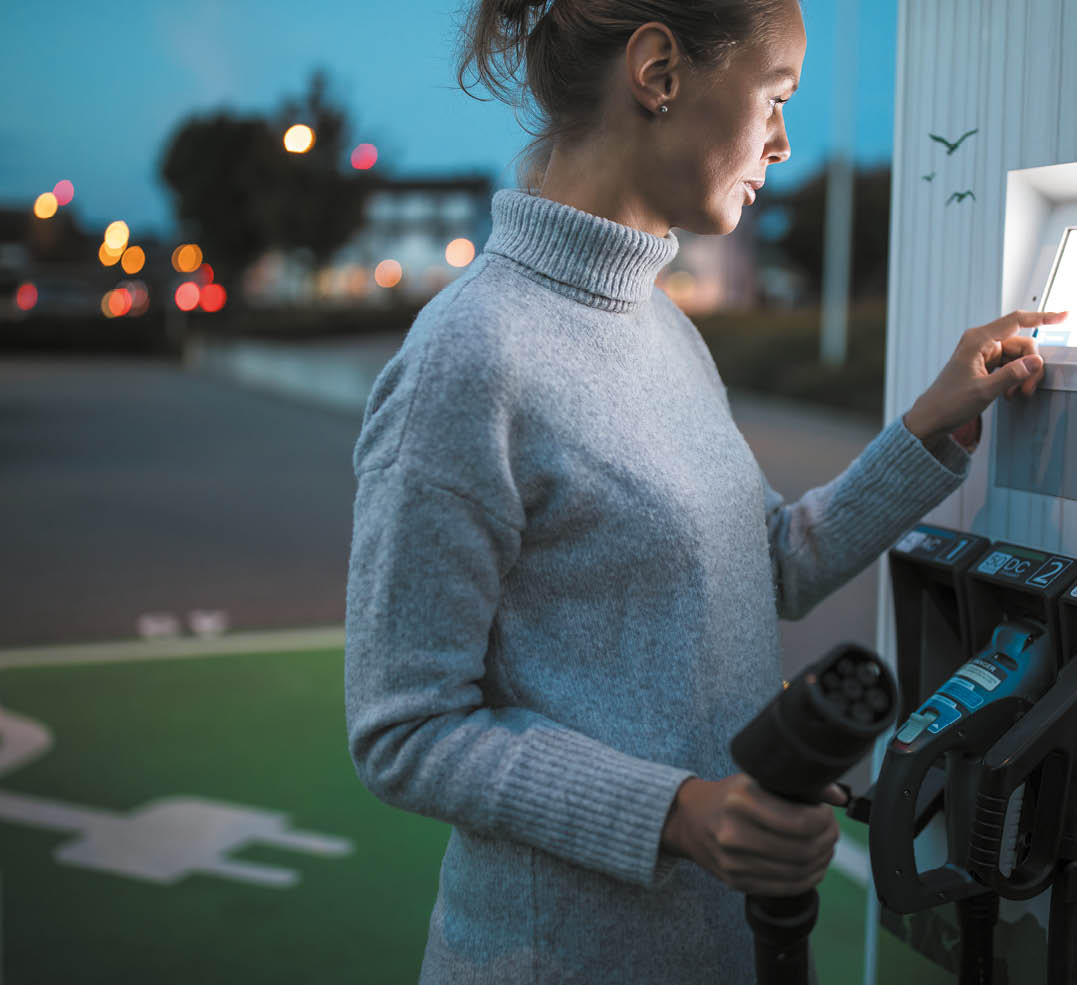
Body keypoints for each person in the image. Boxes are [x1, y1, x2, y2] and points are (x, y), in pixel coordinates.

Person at [343, 1, 1067, 982]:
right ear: (659, 71)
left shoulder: (663, 328)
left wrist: (929, 426)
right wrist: (679, 812)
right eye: (775, 95)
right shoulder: (470, 357)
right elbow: (406, 728)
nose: (782, 139)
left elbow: (767, 560)